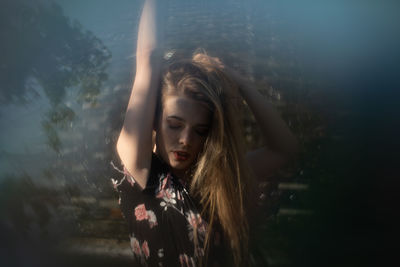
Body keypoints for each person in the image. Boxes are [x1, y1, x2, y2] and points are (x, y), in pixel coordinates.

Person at [113, 0, 298, 266]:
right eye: (175, 125)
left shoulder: (218, 179)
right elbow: (149, 58)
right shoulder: (142, 173)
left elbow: (285, 149)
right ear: (153, 121)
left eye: (199, 130)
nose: (186, 140)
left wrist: (242, 84)